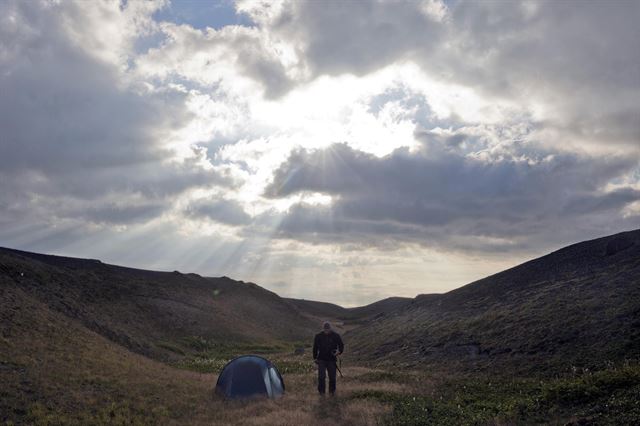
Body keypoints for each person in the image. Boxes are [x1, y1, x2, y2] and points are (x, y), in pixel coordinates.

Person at [312, 321, 344, 396]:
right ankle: (321, 392)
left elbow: (341, 345)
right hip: (321, 359)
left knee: (332, 377)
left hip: (332, 359)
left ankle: (332, 392)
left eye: (328, 329)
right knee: (321, 377)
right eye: (325, 329)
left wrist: (339, 352)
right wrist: (315, 358)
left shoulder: (336, 336)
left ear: (330, 328)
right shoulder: (318, 336)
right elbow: (315, 348)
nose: (326, 330)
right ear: (323, 328)